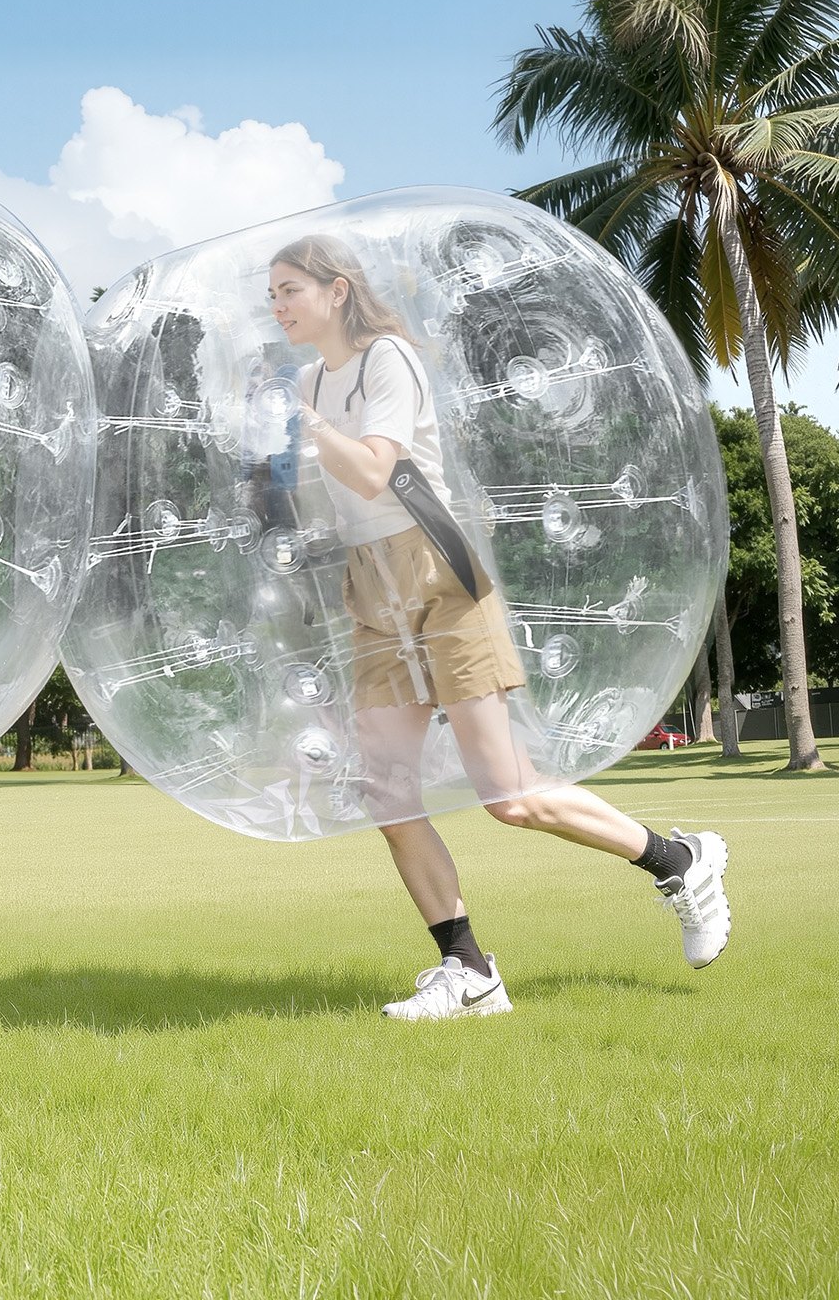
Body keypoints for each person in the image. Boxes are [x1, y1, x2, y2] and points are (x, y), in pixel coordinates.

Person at [266, 234, 731, 1021]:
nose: (277, 306)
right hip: (370, 586)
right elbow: (320, 495)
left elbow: (376, 470)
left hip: (437, 573)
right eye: (272, 295)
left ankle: (678, 860)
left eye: (289, 290)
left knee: (510, 796)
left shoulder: (387, 360)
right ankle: (470, 970)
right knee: (387, 794)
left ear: (336, 290)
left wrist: (304, 426)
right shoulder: (311, 379)